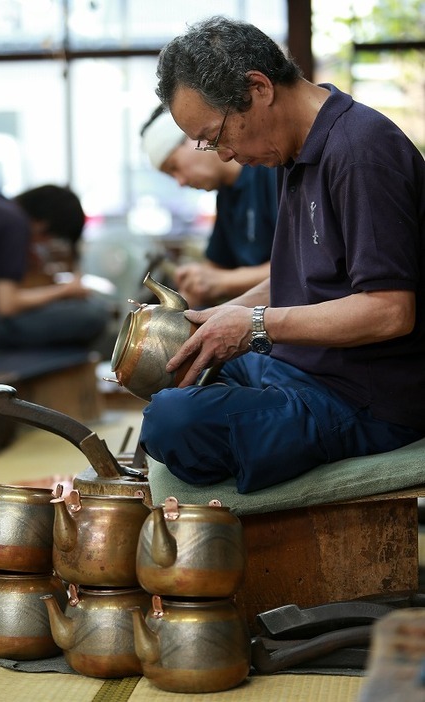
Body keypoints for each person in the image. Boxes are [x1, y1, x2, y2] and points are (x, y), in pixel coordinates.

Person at [139, 16, 425, 494]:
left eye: (217, 134)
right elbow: (299, 274)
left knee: (172, 422)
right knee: (175, 366)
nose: (222, 155)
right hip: (298, 365)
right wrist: (221, 316)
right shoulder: (290, 150)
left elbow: (391, 311)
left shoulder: (360, 152)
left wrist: (255, 325)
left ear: (258, 88)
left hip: (363, 398)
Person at [141, 105, 278, 307]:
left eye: (174, 167)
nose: (179, 182)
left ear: (194, 138)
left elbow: (298, 267)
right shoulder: (225, 196)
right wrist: (195, 284)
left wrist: (222, 282)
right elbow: (215, 268)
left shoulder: (269, 172)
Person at [0, 184, 110, 351]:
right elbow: (6, 305)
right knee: (94, 313)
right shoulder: (15, 223)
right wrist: (64, 291)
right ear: (42, 226)